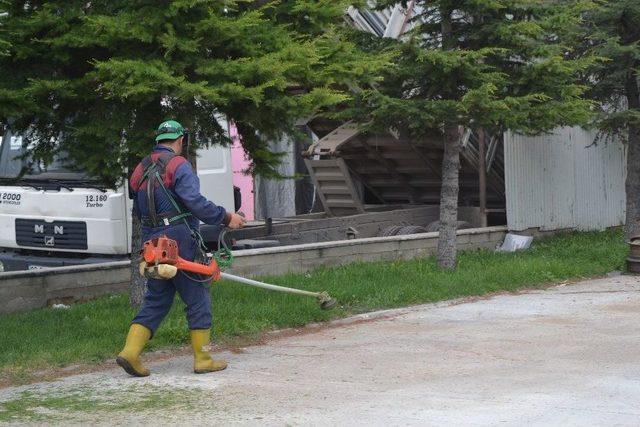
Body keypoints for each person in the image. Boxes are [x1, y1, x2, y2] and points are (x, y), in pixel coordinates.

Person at [116, 120, 246, 377]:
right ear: (180, 140)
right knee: (197, 295)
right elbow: (194, 202)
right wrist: (226, 217)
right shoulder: (179, 165)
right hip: (179, 239)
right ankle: (203, 358)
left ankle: (130, 352)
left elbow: (139, 206)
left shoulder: (139, 169)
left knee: (156, 299)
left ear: (158, 139)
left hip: (152, 240)